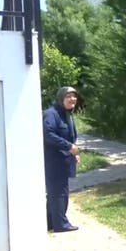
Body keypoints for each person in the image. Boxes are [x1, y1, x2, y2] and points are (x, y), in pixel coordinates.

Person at [43, 86, 80, 233]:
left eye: (74, 96)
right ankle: (61, 225)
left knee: (57, 192)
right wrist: (68, 146)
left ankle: (50, 223)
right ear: (61, 98)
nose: (72, 99)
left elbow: (68, 136)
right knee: (59, 193)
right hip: (54, 161)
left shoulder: (66, 114)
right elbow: (48, 134)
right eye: (68, 96)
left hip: (63, 159)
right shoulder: (51, 114)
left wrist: (73, 152)